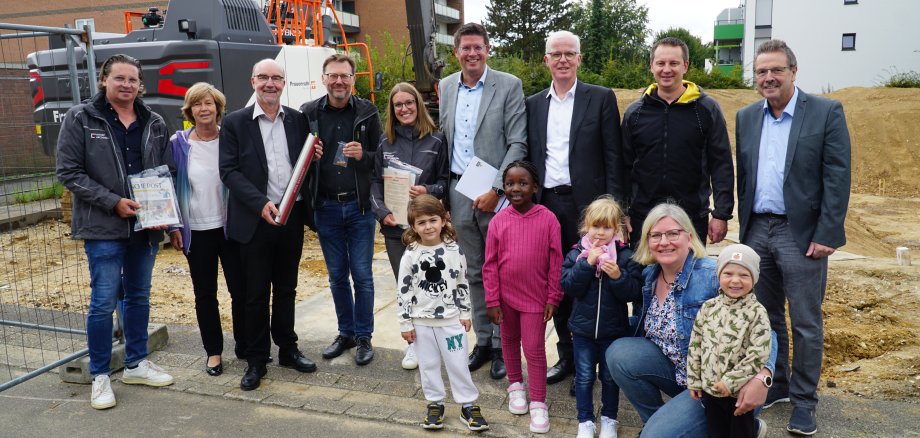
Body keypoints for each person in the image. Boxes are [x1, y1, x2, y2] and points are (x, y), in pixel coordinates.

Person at [736, 39, 852, 436]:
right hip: (757, 231)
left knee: (805, 321)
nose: (768, 78)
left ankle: (805, 403)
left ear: (793, 72)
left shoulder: (825, 112)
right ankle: (779, 383)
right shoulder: (747, 117)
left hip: (801, 234)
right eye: (762, 72)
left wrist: (828, 232)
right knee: (765, 318)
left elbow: (837, 177)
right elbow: (745, 177)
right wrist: (744, 231)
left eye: (776, 70)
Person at [56, 54, 175, 409]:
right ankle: (100, 375)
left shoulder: (153, 120)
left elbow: (164, 169)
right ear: (104, 80)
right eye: (119, 78)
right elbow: (69, 172)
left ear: (140, 84)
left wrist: (164, 210)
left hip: (145, 226)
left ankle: (136, 363)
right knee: (103, 302)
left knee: (138, 296)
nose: (126, 85)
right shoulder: (82, 118)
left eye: (133, 80)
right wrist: (112, 201)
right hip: (103, 225)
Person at [605, 203, 777, 437]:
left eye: (673, 233)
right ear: (647, 241)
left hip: (718, 385)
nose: (664, 241)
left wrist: (762, 377)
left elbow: (767, 333)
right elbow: (648, 326)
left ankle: (730, 427)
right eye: (656, 235)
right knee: (618, 353)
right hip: (681, 375)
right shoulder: (650, 277)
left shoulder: (713, 276)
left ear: (688, 236)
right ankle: (665, 424)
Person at [526, 30, 623, 390]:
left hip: (591, 210)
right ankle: (567, 356)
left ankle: (599, 363)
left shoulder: (599, 99)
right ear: (546, 60)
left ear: (579, 59)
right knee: (559, 279)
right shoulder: (533, 103)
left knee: (596, 279)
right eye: (556, 53)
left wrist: (615, 209)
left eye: (570, 53)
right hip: (547, 205)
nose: (563, 59)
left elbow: (615, 156)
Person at [220, 59, 319, 391]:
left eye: (276, 78)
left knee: (287, 289)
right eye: (263, 77)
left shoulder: (298, 119)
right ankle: (257, 359)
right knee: (255, 293)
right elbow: (229, 171)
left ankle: (288, 349)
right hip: (255, 219)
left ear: (283, 83)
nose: (270, 84)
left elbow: (304, 163)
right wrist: (259, 203)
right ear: (253, 81)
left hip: (291, 217)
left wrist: (313, 157)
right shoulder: (234, 123)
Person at [438, 22, 527, 379]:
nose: (472, 54)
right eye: (465, 48)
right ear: (456, 53)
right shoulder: (446, 87)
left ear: (488, 50)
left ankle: (507, 347)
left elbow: (518, 142)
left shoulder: (508, 85)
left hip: (495, 194)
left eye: (478, 47)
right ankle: (486, 343)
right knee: (473, 271)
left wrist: (497, 189)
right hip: (459, 191)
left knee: (504, 272)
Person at [301, 54, 382, 367]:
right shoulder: (308, 113)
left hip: (359, 206)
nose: (339, 81)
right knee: (336, 276)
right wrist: (309, 155)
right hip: (326, 207)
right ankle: (345, 332)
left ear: (353, 79)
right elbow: (295, 160)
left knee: (362, 275)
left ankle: (364, 336)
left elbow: (382, 156)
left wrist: (365, 154)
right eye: (333, 76)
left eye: (344, 76)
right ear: (323, 79)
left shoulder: (367, 111)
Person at [620, 37, 734, 247]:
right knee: (642, 278)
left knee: (688, 278)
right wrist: (623, 213)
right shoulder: (635, 113)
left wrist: (721, 214)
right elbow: (624, 168)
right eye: (660, 63)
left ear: (685, 66)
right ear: (651, 66)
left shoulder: (706, 110)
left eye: (673, 63)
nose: (667, 69)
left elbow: (721, 164)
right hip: (643, 217)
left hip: (691, 216)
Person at [370, 82, 449, 370]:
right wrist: (381, 212)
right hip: (396, 229)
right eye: (398, 105)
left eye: (409, 103)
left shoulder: (437, 140)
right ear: (392, 110)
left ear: (418, 104)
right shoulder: (384, 142)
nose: (404, 109)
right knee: (407, 287)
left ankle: (436, 341)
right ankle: (413, 345)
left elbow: (445, 183)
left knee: (433, 285)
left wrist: (429, 189)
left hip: (428, 228)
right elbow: (375, 182)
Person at [167, 82, 244, 376]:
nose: (203, 109)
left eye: (209, 103)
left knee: (240, 289)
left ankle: (245, 343)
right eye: (197, 104)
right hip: (196, 231)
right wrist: (174, 226)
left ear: (218, 108)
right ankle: (213, 352)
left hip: (230, 228)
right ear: (190, 110)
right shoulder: (179, 143)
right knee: (205, 294)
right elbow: (171, 185)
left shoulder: (231, 139)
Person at [396, 194, 489, 432]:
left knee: (458, 363)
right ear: (413, 226)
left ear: (444, 219)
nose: (428, 226)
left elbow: (461, 282)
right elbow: (403, 291)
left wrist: (466, 312)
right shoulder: (411, 254)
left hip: (450, 321)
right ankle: (435, 403)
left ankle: (468, 405)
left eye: (432, 220)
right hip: (421, 322)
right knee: (428, 365)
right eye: (421, 222)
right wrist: (405, 323)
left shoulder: (454, 250)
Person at [482, 161, 562, 434]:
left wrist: (553, 296)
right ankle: (515, 385)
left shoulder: (548, 218)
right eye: (510, 183)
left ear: (535, 187)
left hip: (535, 298)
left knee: (535, 348)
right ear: (503, 188)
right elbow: (490, 264)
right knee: (508, 340)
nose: (516, 188)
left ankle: (538, 402)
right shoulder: (498, 221)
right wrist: (492, 300)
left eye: (523, 183)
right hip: (505, 298)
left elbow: (556, 261)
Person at [560, 196, 642, 438]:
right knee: (584, 377)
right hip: (583, 332)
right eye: (596, 226)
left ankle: (609, 419)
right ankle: (585, 421)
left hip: (613, 332)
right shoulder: (577, 254)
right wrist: (586, 265)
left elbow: (633, 292)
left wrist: (619, 277)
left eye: (607, 227)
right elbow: (568, 286)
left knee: (609, 378)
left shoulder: (625, 256)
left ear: (616, 229)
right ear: (586, 226)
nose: (601, 232)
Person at [688, 244, 772, 438]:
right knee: (715, 431)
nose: (735, 280)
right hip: (710, 389)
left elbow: (758, 354)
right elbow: (696, 344)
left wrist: (731, 381)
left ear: (754, 278)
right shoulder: (709, 307)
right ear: (719, 275)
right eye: (728, 274)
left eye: (744, 275)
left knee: (740, 432)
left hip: (738, 393)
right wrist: (694, 379)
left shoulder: (757, 313)